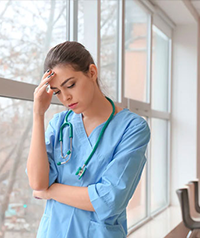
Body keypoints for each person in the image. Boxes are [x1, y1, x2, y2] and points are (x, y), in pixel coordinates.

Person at [26, 41, 150, 238]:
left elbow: (109, 200)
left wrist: (50, 192)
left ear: (92, 72)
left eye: (70, 85)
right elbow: (38, 182)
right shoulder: (59, 124)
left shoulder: (132, 128)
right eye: (57, 91)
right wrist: (38, 114)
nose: (65, 97)